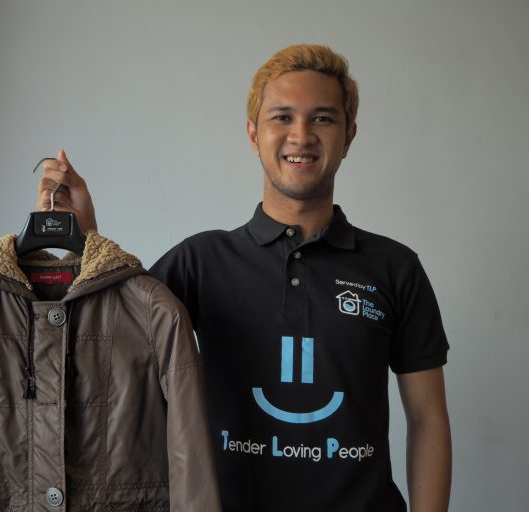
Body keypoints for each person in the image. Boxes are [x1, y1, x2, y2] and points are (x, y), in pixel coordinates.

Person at [36, 44, 451, 511]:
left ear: (349, 136)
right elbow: (106, 347)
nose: (301, 135)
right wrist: (85, 240)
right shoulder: (201, 261)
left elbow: (428, 418)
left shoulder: (395, 267)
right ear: (254, 134)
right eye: (282, 117)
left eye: (322, 119)